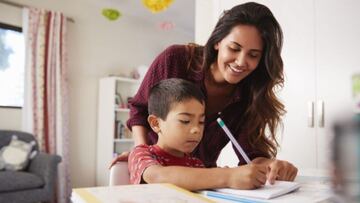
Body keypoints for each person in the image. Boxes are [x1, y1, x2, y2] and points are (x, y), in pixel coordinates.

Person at [112, 2, 298, 184]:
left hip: (203, 183)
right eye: (234, 48)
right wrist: (144, 152)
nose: (241, 61)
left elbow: (250, 155)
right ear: (218, 41)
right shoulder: (175, 59)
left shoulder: (250, 95)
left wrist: (270, 165)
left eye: (253, 55)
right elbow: (140, 110)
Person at [129, 78, 268, 190]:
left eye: (201, 122)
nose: (196, 129)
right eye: (185, 121)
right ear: (156, 123)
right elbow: (158, 176)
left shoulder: (195, 163)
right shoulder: (142, 154)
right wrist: (227, 176)